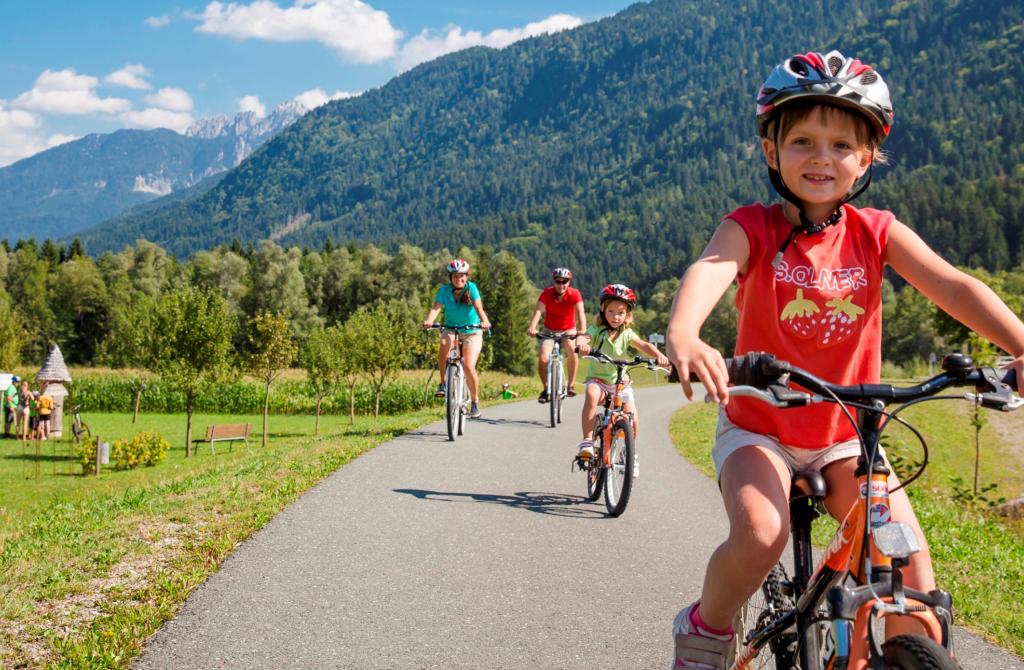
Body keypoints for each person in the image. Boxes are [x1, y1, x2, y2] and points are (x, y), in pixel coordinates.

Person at [664, 51, 1024, 669]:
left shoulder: (877, 231)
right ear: (771, 152)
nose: (821, 157)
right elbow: (712, 268)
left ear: (866, 159)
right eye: (802, 140)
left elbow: (955, 286)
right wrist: (685, 331)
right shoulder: (751, 226)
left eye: (841, 144)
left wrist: (1020, 342)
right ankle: (707, 630)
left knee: (906, 563)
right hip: (760, 425)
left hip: (849, 436)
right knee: (760, 534)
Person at [575, 284, 668, 478]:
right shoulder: (597, 330)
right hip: (599, 381)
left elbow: (643, 345)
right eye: (610, 311)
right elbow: (584, 337)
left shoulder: (626, 333)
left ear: (627, 315)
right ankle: (587, 441)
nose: (615, 316)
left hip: (620, 383)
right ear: (603, 310)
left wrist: (660, 356)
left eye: (620, 312)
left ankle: (629, 453)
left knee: (632, 417)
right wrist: (582, 345)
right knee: (591, 394)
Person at [422, 258, 492, 419]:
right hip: (451, 328)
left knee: (468, 365)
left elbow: (478, 307)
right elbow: (436, 308)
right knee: (444, 343)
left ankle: (474, 402)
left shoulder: (471, 288)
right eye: (455, 276)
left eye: (462, 276)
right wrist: (429, 321)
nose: (458, 279)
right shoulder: (444, 291)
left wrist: (484, 321)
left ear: (466, 276)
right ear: (450, 278)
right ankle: (443, 383)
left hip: (472, 330)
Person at [526, 267, 587, 403]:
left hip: (568, 330)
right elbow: (538, 312)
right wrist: (532, 327)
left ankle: (570, 385)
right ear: (554, 282)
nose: (561, 285)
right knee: (543, 358)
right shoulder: (547, 293)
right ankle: (546, 389)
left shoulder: (574, 294)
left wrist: (582, 330)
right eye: (558, 282)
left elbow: (580, 312)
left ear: (569, 282)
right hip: (549, 331)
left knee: (572, 351)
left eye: (564, 281)